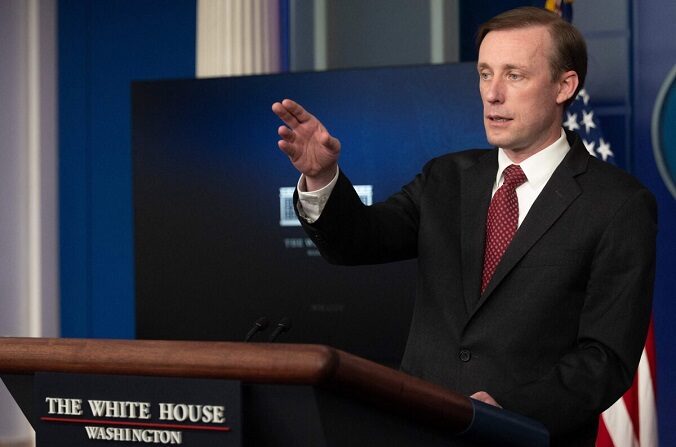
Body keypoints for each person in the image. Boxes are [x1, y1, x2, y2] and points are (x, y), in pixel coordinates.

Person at [272, 7, 656, 446]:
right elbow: (356, 242)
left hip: (522, 438)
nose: (492, 94)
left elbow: (604, 359)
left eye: (514, 75)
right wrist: (322, 178)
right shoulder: (446, 178)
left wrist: (509, 408)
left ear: (564, 86)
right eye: (485, 73)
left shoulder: (618, 205)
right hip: (416, 431)